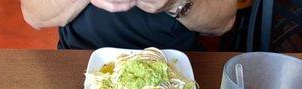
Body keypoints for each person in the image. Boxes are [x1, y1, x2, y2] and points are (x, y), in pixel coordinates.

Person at [21, 0, 237, 51]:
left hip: (174, 67)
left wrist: (174, 2)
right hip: (81, 65)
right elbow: (33, 14)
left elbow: (223, 21)